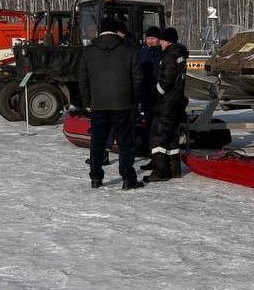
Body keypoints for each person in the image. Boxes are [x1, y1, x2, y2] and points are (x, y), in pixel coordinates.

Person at [75, 16, 145, 190]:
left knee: (97, 141)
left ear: (101, 30)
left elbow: (82, 79)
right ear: (115, 30)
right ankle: (128, 178)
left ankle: (96, 178)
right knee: (125, 143)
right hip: (123, 104)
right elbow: (138, 78)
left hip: (98, 104)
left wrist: (87, 102)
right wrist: (134, 99)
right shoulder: (129, 50)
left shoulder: (88, 51)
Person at [144, 27, 190, 183]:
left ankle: (160, 172)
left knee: (157, 138)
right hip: (177, 103)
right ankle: (174, 169)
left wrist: (156, 93)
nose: (159, 43)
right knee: (171, 138)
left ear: (167, 40)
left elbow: (166, 80)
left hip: (166, 104)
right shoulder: (179, 54)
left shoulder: (170, 55)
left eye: (161, 40)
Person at [137, 26, 163, 160]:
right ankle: (147, 148)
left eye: (153, 38)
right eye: (148, 38)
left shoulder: (162, 53)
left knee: (157, 124)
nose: (150, 41)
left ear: (159, 40)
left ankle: (156, 151)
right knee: (148, 122)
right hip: (145, 93)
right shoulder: (142, 52)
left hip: (158, 94)